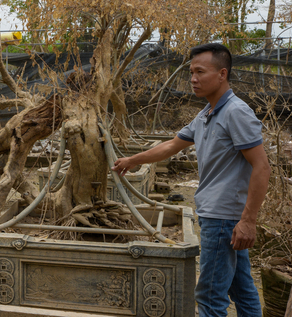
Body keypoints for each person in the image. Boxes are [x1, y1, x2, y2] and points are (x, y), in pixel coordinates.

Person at [113, 43, 270, 317]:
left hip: (224, 218)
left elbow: (262, 167)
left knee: (209, 297)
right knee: (242, 290)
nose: (193, 79)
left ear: (222, 74)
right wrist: (131, 160)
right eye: (191, 73)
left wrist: (248, 220)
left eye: (200, 72)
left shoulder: (235, 112)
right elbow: (171, 146)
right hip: (218, 216)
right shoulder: (207, 114)